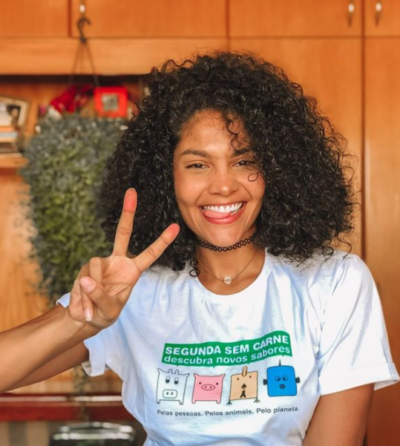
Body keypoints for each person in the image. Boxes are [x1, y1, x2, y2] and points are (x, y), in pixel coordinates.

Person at [0, 52, 398, 446]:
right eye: (197, 165)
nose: (223, 186)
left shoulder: (335, 282)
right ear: (166, 177)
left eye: (244, 161)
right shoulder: (129, 291)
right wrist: (79, 322)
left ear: (277, 169)